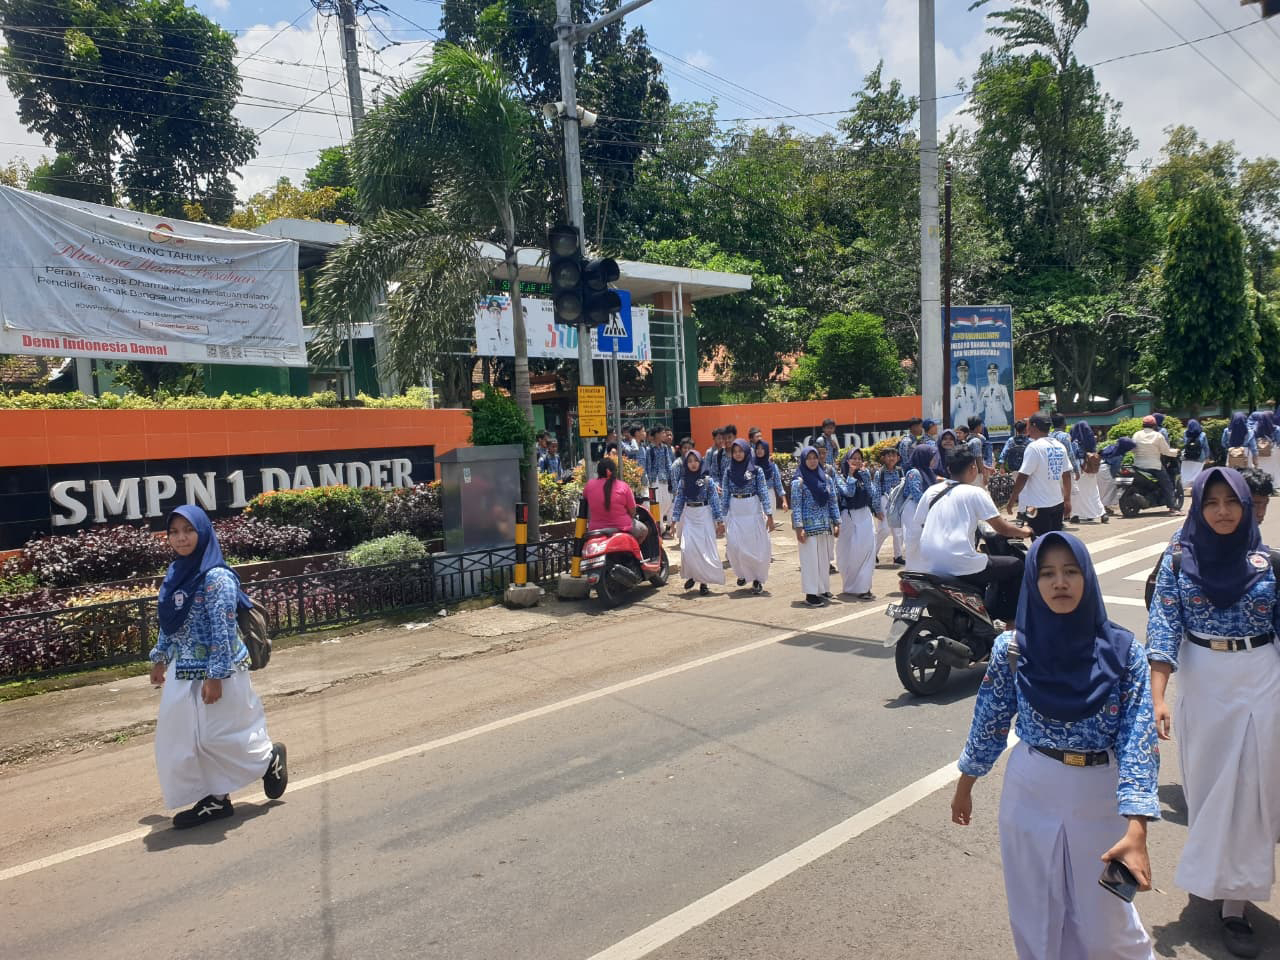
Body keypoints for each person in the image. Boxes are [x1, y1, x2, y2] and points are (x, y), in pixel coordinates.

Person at [952, 531, 1159, 960]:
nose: (1059, 582)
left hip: (1100, 792)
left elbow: (1138, 739)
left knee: (1108, 926)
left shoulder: (1124, 654)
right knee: (1035, 916)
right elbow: (989, 721)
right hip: (1031, 789)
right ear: (1033, 583)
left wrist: (1137, 827)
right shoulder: (1012, 649)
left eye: (1070, 571)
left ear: (1087, 578)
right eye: (1046, 573)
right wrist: (965, 785)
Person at [1147, 468, 1280, 958]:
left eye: (1232, 502)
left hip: (1263, 680)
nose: (1222, 511)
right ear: (1198, 507)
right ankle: (1216, 871)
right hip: (1203, 681)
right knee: (1206, 789)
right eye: (1212, 502)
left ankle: (1235, 903)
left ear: (1247, 506)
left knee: (1249, 789)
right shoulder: (1178, 560)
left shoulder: (1269, 563)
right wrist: (1158, 696)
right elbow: (1163, 625)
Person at [149, 505, 288, 829]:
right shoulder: (175, 573)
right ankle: (216, 799)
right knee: (181, 739)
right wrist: (159, 658)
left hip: (219, 671)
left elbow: (223, 630)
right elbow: (169, 623)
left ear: (203, 532)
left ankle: (268, 759)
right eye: (174, 531)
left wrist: (215, 675)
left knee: (218, 738)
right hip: (183, 671)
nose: (181, 538)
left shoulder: (217, 577)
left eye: (189, 530)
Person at [917, 447, 1031, 622]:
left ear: (949, 469)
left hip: (927, 563)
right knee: (1015, 565)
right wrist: (1025, 531)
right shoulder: (975, 492)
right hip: (959, 562)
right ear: (973, 468)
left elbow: (922, 523)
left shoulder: (932, 492)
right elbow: (1002, 528)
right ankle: (1010, 622)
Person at [720, 438, 773, 594]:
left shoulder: (757, 471)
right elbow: (725, 495)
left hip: (753, 510)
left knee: (754, 548)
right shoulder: (728, 472)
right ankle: (742, 573)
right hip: (735, 511)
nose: (737, 454)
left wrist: (769, 515)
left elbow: (763, 491)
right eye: (734, 452)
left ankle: (756, 579)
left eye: (740, 451)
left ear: (746, 451)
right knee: (734, 545)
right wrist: (722, 518)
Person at [1007, 413, 1072, 535]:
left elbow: (1023, 477)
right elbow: (1067, 475)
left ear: (1034, 426)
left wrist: (1012, 500)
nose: (1027, 428)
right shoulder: (1059, 446)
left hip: (1037, 506)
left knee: (1039, 541)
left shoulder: (1034, 447)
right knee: (1054, 541)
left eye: (1028, 425)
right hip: (1057, 503)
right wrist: (1067, 500)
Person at [671, 449, 725, 596]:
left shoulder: (708, 481)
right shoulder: (683, 481)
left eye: (695, 460)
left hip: (704, 515)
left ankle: (703, 582)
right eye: (689, 461)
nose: (693, 464)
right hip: (689, 515)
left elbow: (714, 502)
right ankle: (692, 575)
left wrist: (720, 521)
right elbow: (679, 501)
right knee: (688, 548)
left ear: (700, 461)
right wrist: (674, 521)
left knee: (704, 549)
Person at [791, 445, 840, 606]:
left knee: (824, 560)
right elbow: (796, 506)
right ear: (803, 460)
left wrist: (837, 521)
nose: (812, 461)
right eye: (808, 458)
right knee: (810, 561)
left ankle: (823, 588)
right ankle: (811, 593)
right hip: (808, 527)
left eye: (815, 458)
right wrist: (799, 527)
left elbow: (833, 501)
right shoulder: (798, 482)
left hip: (825, 526)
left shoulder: (826, 478)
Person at [834, 447, 879, 600]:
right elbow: (849, 493)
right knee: (848, 553)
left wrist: (866, 477)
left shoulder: (864, 475)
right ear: (847, 460)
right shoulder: (840, 477)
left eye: (859, 458)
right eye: (854, 458)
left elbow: (872, 493)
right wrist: (851, 476)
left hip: (865, 515)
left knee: (867, 551)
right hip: (849, 517)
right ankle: (850, 585)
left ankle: (864, 587)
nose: (857, 461)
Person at [585, 457, 647, 544]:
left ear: (598, 471)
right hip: (622, 527)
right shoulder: (623, 486)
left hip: (595, 529)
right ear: (614, 471)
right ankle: (635, 554)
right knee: (644, 530)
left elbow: (585, 500)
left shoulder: (589, 485)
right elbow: (632, 512)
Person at [1131, 415, 1181, 515]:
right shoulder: (1158, 436)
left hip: (1138, 466)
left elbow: (1133, 449)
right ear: (1154, 425)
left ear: (1143, 425)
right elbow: (1165, 451)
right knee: (1167, 485)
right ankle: (1173, 508)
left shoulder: (1136, 434)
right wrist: (1176, 451)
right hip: (1154, 466)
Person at [902, 443, 939, 572]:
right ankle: (912, 569)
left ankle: (921, 568)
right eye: (931, 456)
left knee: (922, 537)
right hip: (912, 508)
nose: (934, 459)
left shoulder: (928, 471)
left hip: (921, 507)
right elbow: (916, 493)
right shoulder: (914, 472)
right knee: (915, 537)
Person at [873, 446, 906, 565]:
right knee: (884, 529)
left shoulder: (900, 471)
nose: (891, 458)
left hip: (896, 501)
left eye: (894, 455)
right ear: (883, 458)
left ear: (898, 458)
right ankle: (873, 553)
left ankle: (898, 555)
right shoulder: (879, 473)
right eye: (888, 455)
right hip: (884, 500)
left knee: (898, 530)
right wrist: (877, 509)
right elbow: (876, 491)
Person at [1071, 421, 1106, 523]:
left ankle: (1076, 515)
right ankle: (1102, 513)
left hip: (1080, 470)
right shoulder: (1091, 440)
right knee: (1094, 493)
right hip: (1091, 469)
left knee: (1078, 494)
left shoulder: (1075, 441)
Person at [645, 426, 676, 533]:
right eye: (662, 433)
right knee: (657, 502)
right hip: (654, 479)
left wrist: (671, 476)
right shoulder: (649, 449)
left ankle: (660, 523)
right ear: (656, 435)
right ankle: (659, 527)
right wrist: (649, 480)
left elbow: (668, 463)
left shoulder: (665, 448)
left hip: (664, 478)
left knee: (667, 501)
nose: (664, 435)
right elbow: (648, 465)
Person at [1099, 437, 1136, 515]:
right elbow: (1114, 470)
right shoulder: (1119, 455)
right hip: (1106, 470)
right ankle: (1104, 508)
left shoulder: (1110, 446)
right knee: (1110, 488)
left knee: (1100, 489)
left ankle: (1100, 507)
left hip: (1098, 467)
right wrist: (1116, 476)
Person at [755, 438, 787, 512]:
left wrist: (784, 501)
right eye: (757, 448)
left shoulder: (772, 466)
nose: (759, 450)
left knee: (768, 520)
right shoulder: (751, 466)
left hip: (769, 495)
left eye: (762, 448)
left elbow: (778, 484)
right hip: (755, 497)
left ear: (766, 450)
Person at [980, 362, 1013, 432]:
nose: (992, 376)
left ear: (997, 375)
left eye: (994, 374)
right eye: (990, 374)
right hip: (988, 425)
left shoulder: (1003, 388)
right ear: (987, 376)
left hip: (1001, 425)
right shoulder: (984, 390)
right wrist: (980, 396)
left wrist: (1002, 396)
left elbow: (1008, 408)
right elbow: (980, 409)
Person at [1251, 412, 1280, 489]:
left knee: (1262, 468)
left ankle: (1262, 485)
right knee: (1274, 468)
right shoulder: (1276, 428)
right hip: (1273, 451)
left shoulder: (1255, 428)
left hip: (1260, 450)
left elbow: (1253, 439)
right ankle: (1274, 485)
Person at [951, 359, 979, 428]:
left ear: (968, 372)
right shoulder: (952, 389)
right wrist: (955, 397)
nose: (963, 373)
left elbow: (977, 408)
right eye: (961, 371)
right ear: (957, 374)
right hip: (959, 427)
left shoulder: (973, 389)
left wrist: (973, 420)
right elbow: (951, 412)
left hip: (972, 427)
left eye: (965, 371)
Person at [1181, 418, 1208, 490]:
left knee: (1186, 474)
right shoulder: (1203, 434)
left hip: (1186, 457)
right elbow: (1206, 447)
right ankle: (1195, 488)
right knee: (1197, 474)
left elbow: (1183, 444)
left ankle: (1185, 488)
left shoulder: (1185, 433)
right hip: (1199, 457)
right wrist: (1207, 457)